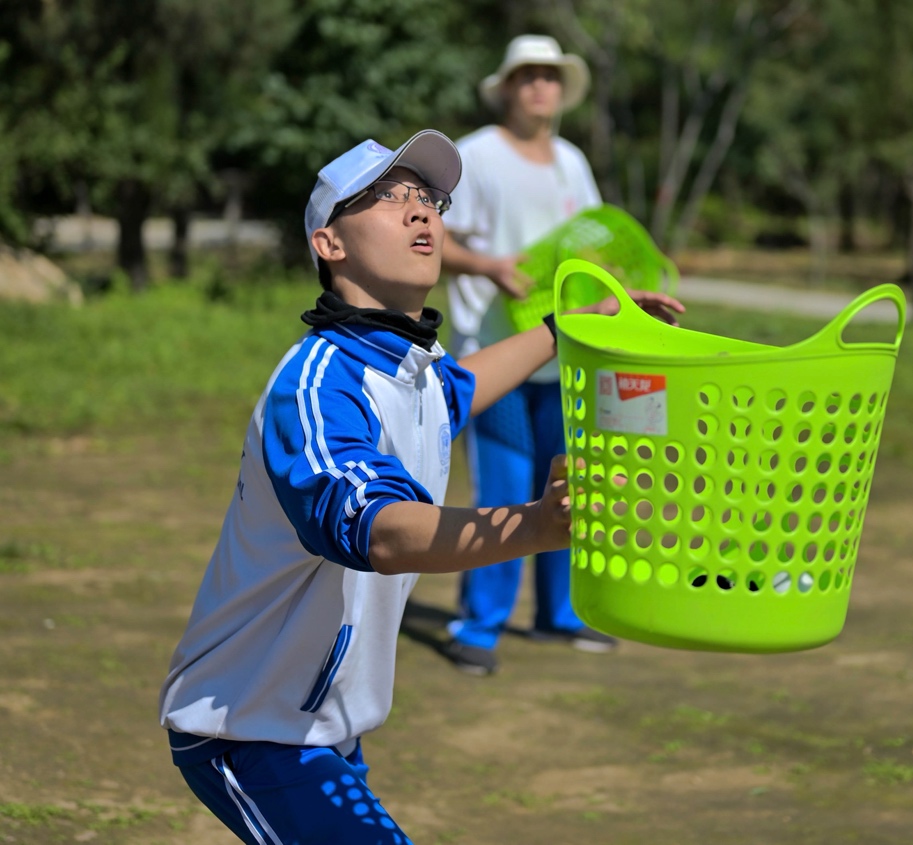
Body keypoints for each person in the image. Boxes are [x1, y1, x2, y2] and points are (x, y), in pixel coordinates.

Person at [157, 130, 683, 845]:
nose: (420, 212)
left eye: (429, 198)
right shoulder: (315, 387)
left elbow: (460, 386)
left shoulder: (415, 370)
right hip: (249, 727)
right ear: (329, 243)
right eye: (386, 197)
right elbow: (380, 531)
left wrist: (576, 328)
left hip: (323, 727)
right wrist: (535, 526)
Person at [440, 34, 613, 676]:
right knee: (506, 490)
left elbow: (592, 242)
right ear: (507, 87)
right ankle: (478, 626)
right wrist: (488, 266)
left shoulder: (571, 162)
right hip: (495, 356)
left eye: (549, 76)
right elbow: (435, 239)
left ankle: (558, 614)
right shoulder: (475, 156)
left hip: (563, 358)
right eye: (527, 76)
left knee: (569, 484)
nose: (539, 87)